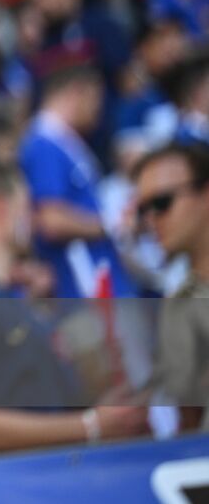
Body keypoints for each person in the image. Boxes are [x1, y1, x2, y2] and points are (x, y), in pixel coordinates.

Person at [0, 161, 147, 455]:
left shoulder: (5, 296)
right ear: (3, 210)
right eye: (27, 207)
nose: (34, 221)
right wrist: (91, 426)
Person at [18, 62, 134, 298]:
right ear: (76, 92)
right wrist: (112, 225)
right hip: (83, 291)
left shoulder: (63, 141)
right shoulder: (43, 144)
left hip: (100, 286)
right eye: (96, 99)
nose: (98, 111)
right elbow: (50, 219)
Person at [132, 143, 209, 430]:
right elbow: (188, 424)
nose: (151, 220)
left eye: (162, 203)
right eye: (143, 210)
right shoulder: (176, 306)